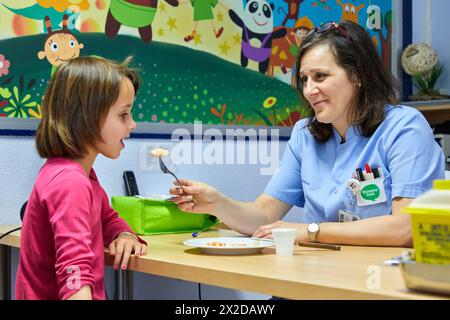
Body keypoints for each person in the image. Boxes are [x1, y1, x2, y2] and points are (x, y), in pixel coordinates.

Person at [169, 21, 445, 247]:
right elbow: (264, 214)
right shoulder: (305, 134)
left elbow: (405, 228)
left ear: (358, 75)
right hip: (315, 275)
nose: (309, 90)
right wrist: (217, 203)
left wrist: (311, 231)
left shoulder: (404, 128)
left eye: (321, 76)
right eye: (304, 79)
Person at [15, 56, 147, 300]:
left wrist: (124, 235)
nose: (133, 124)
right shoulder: (70, 182)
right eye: (124, 115)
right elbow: (73, 274)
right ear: (87, 117)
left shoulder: (79, 175)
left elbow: (107, 219)